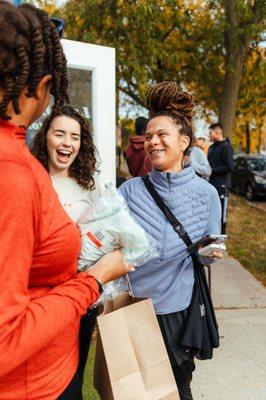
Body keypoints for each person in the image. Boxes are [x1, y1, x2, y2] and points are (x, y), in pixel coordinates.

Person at [0, 3, 132, 400]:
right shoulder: (14, 174)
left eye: (76, 137)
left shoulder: (25, 165)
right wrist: (94, 279)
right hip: (31, 385)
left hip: (58, 362)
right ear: (39, 87)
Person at [119, 81, 222, 400]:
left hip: (178, 310)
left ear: (184, 141)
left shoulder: (207, 194)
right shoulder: (128, 192)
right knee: (133, 392)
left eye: (161, 134)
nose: (152, 141)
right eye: (149, 136)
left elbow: (207, 257)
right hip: (132, 308)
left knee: (176, 391)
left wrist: (211, 252)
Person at [31, 105, 101, 386]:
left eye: (75, 137)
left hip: (79, 299)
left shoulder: (89, 187)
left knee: (72, 380)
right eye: (59, 134)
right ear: (45, 137)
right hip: (38, 300)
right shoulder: (31, 180)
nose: (66, 143)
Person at [208, 122, 234, 234]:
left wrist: (213, 171)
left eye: (210, 133)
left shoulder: (226, 146)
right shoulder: (211, 147)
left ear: (217, 132)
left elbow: (229, 166)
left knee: (221, 214)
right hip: (211, 185)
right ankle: (212, 236)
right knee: (212, 213)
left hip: (222, 186)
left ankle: (221, 239)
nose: (208, 135)